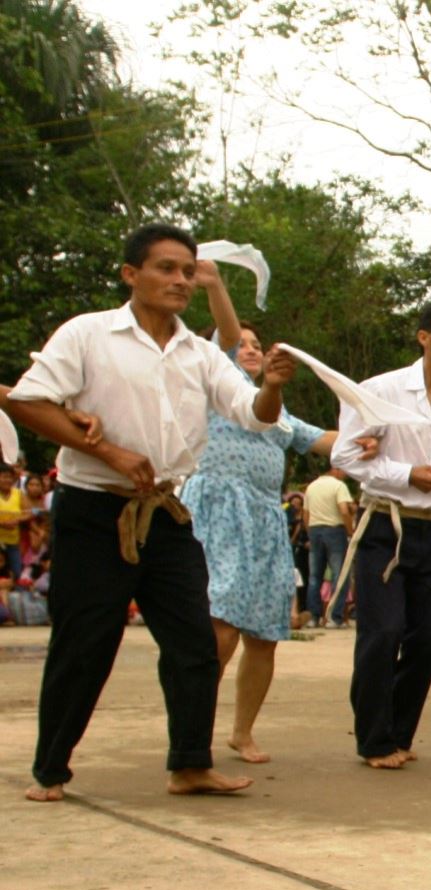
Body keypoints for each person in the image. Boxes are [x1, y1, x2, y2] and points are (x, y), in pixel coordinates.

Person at [9, 223, 294, 800]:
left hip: (166, 510)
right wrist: (105, 449)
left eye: (187, 271)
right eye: (166, 268)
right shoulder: (89, 335)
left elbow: (254, 414)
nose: (180, 281)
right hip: (93, 509)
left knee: (194, 641)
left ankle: (190, 764)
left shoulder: (200, 353)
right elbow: (27, 400)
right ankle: (50, 769)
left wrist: (272, 385)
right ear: (130, 275)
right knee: (86, 642)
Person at [182, 304, 359, 766]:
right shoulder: (208, 383)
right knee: (220, 628)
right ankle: (190, 733)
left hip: (264, 520)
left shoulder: (276, 411)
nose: (252, 350)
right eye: (242, 345)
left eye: (258, 345)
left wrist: (374, 434)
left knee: (263, 635)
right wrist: (217, 284)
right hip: (218, 509)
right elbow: (221, 336)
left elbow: (324, 439)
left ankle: (242, 732)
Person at [330, 298, 431, 770]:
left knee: (427, 640)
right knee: (382, 634)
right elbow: (345, 455)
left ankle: (399, 733)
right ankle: (374, 739)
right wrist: (406, 475)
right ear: (424, 337)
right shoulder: (379, 391)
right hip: (385, 523)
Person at [304, 466, 356, 626]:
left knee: (314, 576)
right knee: (339, 575)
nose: (346, 475)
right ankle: (334, 616)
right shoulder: (338, 486)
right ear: (336, 469)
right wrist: (350, 531)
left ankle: (313, 616)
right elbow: (344, 511)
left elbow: (306, 514)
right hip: (335, 529)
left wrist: (310, 532)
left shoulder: (311, 487)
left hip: (315, 529)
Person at [0, 466, 23, 581]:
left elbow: (28, 512)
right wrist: (2, 523)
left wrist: (18, 519)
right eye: (4, 477)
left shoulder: (18, 494)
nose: (7, 480)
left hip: (13, 541)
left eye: (10, 477)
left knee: (16, 572)